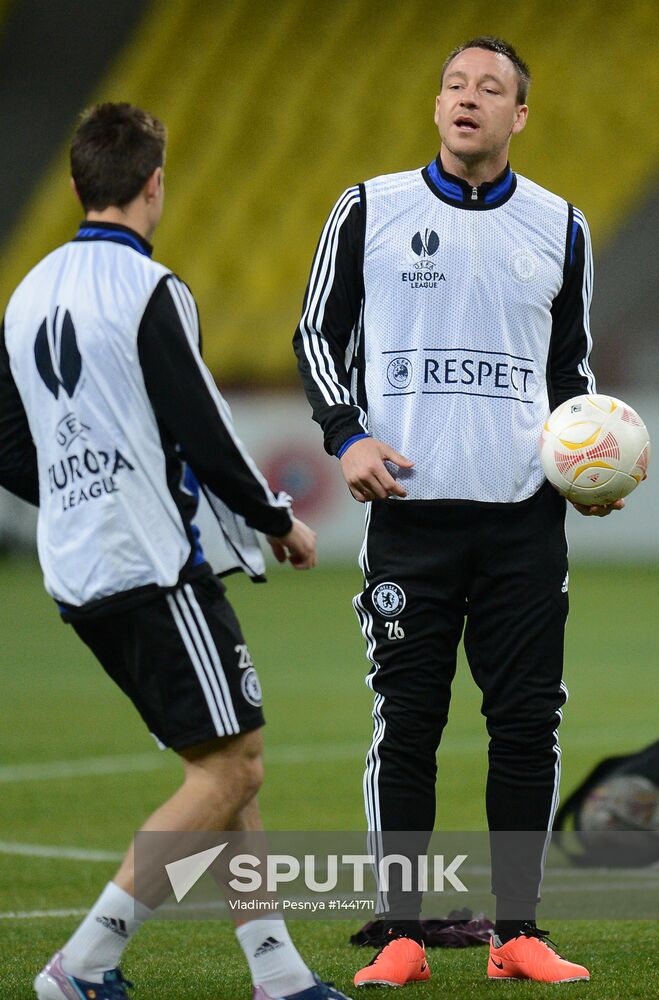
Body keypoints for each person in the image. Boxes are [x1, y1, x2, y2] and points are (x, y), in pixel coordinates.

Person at [0, 102, 351, 1000]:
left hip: (77, 566)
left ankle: (275, 973)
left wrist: (80, 495)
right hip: (151, 562)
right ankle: (84, 964)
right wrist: (280, 522)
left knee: (221, 761)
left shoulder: (26, 293)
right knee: (234, 764)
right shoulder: (150, 290)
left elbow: (8, 440)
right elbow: (205, 430)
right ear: (155, 185)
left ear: (78, 185)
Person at [294, 36, 623, 988]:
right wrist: (346, 434)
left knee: (526, 725)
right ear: (437, 107)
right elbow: (318, 330)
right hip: (410, 513)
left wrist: (584, 465)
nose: (465, 98)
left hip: (523, 518)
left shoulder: (559, 226)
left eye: (489, 89)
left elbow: (571, 375)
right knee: (408, 724)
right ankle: (402, 934)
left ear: (518, 116)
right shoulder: (370, 208)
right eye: (452, 85)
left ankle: (516, 935)